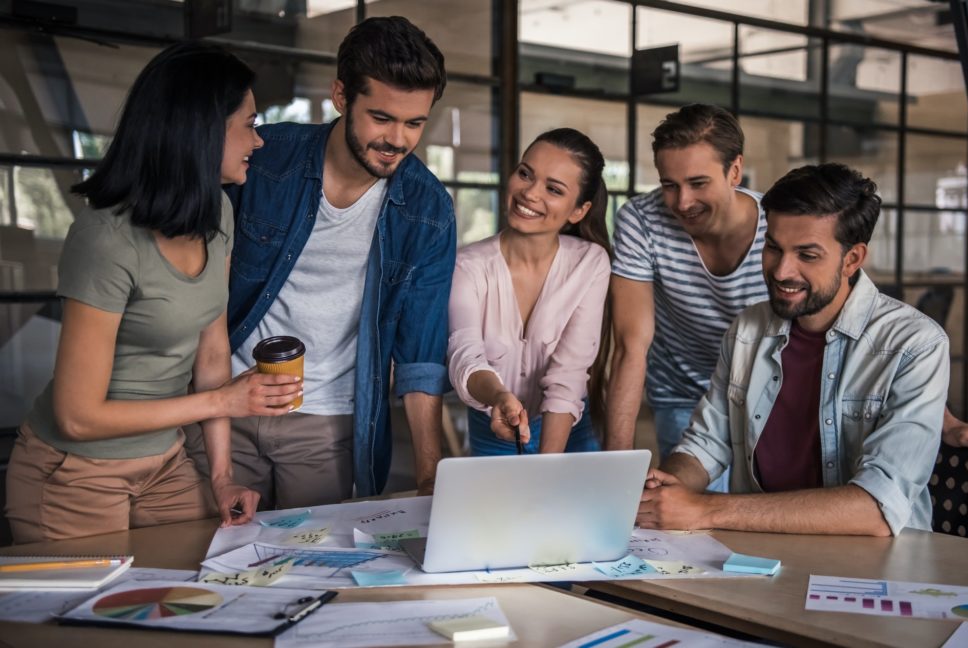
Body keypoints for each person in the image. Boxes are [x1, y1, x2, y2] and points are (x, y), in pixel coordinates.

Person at [4, 42, 298, 543]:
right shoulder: (106, 240)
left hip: (165, 464)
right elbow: (77, 417)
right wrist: (223, 403)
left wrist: (221, 475)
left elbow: (212, 351)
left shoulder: (217, 214)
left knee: (203, 595)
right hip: (75, 473)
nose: (259, 141)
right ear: (202, 132)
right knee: (90, 622)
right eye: (248, 125)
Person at [606, 104, 968, 460]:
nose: (682, 202)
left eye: (698, 183)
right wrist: (616, 464)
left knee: (755, 508)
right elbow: (630, 344)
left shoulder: (783, 224)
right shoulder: (641, 221)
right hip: (682, 391)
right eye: (669, 184)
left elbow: (858, 316)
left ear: (735, 171)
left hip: (765, 385)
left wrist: (942, 420)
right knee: (685, 515)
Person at [185, 17, 455, 506]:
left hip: (326, 422)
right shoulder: (264, 161)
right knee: (210, 559)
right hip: (226, 403)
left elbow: (421, 354)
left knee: (309, 569)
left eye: (414, 123)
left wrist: (428, 477)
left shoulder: (428, 210)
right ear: (340, 96)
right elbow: (195, 281)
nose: (398, 139)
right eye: (381, 117)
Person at [638, 163, 947, 536]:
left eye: (807, 255)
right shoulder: (747, 329)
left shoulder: (916, 345)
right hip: (762, 555)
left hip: (874, 568)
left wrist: (706, 511)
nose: (782, 271)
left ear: (852, 259)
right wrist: (667, 491)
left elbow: (877, 508)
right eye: (774, 248)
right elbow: (707, 443)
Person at [448, 129, 611, 455]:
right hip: (493, 427)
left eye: (553, 189)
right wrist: (498, 397)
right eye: (525, 174)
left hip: (569, 430)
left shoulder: (590, 263)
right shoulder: (467, 266)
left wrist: (545, 470)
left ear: (579, 210)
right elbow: (465, 355)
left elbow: (569, 374)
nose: (530, 193)